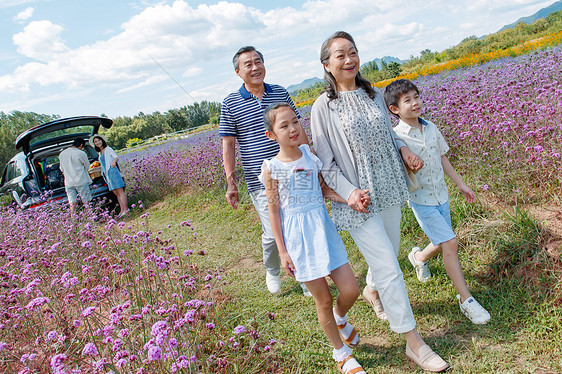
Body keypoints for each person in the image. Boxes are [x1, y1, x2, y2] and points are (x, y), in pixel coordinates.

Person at [310, 31, 449, 372]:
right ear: (327, 65)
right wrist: (348, 193)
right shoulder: (322, 107)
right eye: (340, 55)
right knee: (389, 265)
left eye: (353, 52)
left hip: (388, 188)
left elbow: (388, 134)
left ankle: (372, 291)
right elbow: (325, 162)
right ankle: (414, 342)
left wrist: (403, 150)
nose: (349, 60)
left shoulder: (371, 94)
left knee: (388, 254)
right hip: (356, 201)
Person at [259, 102, 365, 374]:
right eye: (284, 126)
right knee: (324, 300)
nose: (293, 128)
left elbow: (324, 190)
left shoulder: (309, 154)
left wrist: (349, 199)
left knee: (351, 289)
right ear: (272, 135)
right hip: (298, 238)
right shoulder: (272, 168)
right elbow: (274, 212)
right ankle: (341, 353)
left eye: (295, 121)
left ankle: (340, 319)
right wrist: (282, 252)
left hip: (323, 228)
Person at [384, 78, 491, 325]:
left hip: (441, 195)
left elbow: (442, 158)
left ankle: (419, 258)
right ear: (394, 109)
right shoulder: (396, 137)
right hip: (421, 200)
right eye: (407, 100)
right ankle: (466, 300)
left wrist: (461, 184)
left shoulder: (430, 127)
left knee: (442, 241)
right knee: (450, 242)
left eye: (417, 97)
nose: (415, 103)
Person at [220, 46, 309, 295]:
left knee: (296, 223)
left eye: (258, 61)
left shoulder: (279, 92)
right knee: (272, 231)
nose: (255, 67)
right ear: (238, 72)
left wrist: (308, 156)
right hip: (260, 179)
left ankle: (303, 275)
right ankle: (273, 269)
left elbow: (297, 126)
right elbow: (228, 144)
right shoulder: (230, 103)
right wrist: (231, 181)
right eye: (248, 64)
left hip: (292, 170)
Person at [89, 134, 129, 218]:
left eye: (99, 140)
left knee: (120, 191)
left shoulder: (108, 149)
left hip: (113, 171)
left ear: (102, 141)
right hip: (107, 174)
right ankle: (122, 210)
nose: (98, 142)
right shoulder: (100, 153)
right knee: (115, 192)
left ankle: (125, 209)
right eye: (95, 142)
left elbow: (116, 157)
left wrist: (113, 162)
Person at [59, 138, 92, 215]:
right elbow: (87, 166)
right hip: (80, 180)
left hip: (68, 182)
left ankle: (73, 220)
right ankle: (90, 217)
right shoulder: (81, 153)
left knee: (72, 202)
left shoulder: (62, 154)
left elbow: (61, 169)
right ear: (81, 145)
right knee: (86, 201)